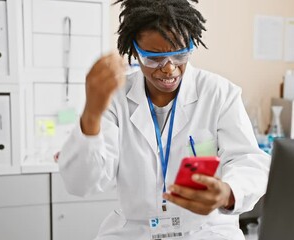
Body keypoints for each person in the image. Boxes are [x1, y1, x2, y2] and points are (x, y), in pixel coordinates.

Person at [58, 0, 270, 239]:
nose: (169, 68)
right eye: (154, 58)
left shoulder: (219, 93)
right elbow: (81, 183)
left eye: (180, 54)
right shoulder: (115, 98)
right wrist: (91, 116)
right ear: (135, 51)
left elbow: (248, 160)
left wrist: (228, 192)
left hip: (205, 231)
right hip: (136, 230)